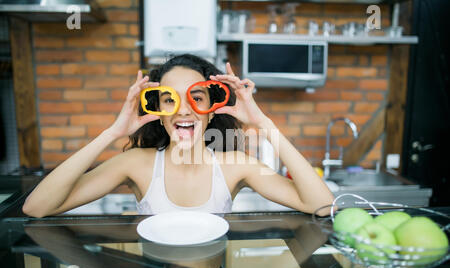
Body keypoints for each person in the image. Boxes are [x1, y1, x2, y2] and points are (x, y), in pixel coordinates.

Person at [22, 54, 334, 218]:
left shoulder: (236, 164)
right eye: (171, 99)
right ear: (158, 110)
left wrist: (263, 122)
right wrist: (113, 132)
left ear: (212, 110)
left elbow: (321, 206)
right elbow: (37, 207)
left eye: (196, 98)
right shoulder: (135, 163)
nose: (184, 110)